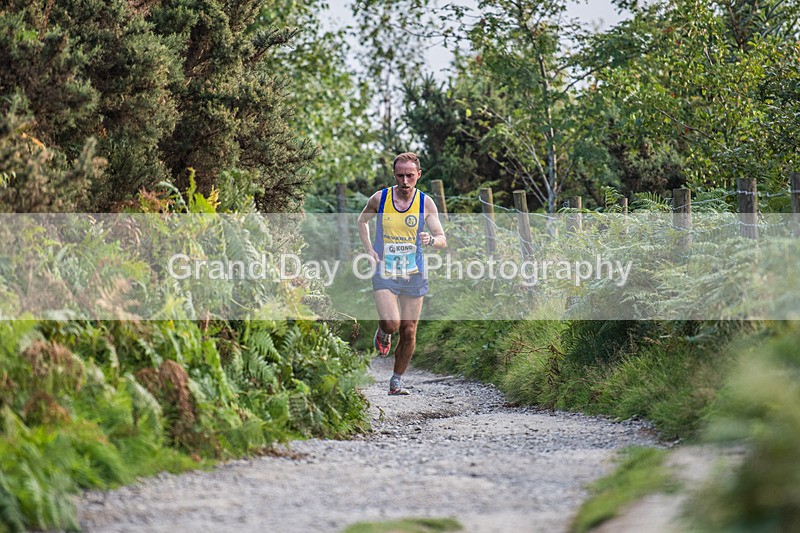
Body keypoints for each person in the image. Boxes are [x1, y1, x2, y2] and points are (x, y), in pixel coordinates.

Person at [356, 152, 447, 395]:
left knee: (409, 330)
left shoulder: (425, 203)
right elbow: (361, 222)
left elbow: (442, 238)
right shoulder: (380, 198)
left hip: (414, 273)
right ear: (394, 175)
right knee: (392, 324)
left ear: (418, 175)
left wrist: (431, 240)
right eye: (400, 176)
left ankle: (396, 381)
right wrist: (369, 250)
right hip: (385, 270)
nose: (405, 181)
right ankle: (383, 331)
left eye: (409, 176)